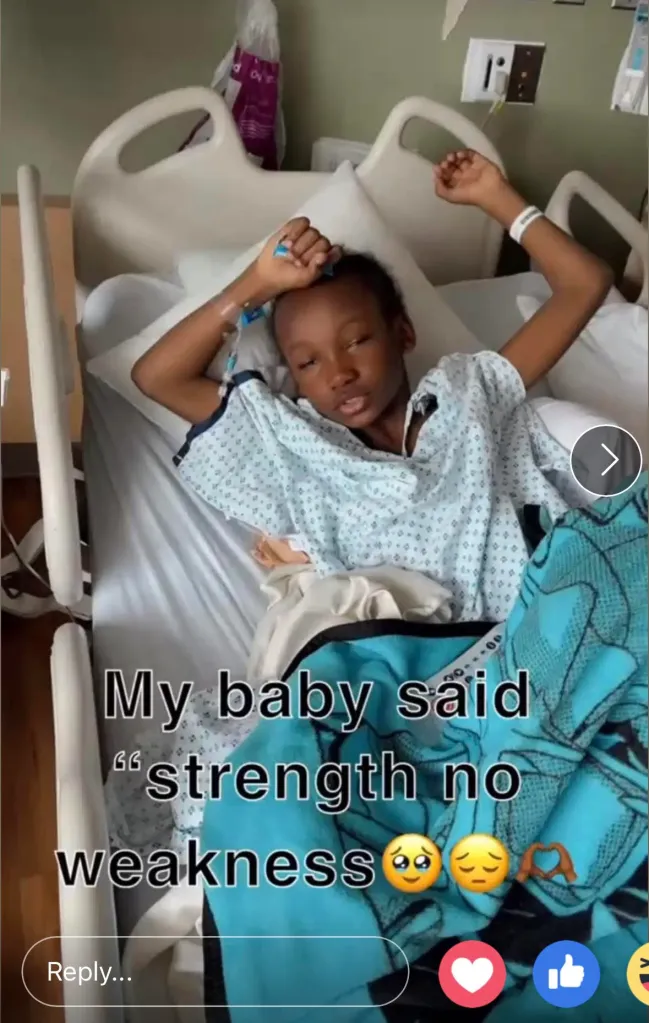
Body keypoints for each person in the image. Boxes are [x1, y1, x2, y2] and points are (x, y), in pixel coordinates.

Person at [132, 150, 613, 621]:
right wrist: (256, 283)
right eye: (308, 362)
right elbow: (157, 377)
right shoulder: (292, 442)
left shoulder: (469, 391)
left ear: (403, 333)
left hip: (556, 620)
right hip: (426, 674)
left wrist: (498, 199)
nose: (339, 374)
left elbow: (585, 283)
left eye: (357, 340)